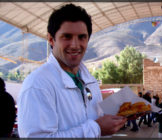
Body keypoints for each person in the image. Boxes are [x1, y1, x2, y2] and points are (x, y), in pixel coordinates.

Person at [17, 4, 126, 138]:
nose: (75, 45)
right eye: (67, 37)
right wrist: (96, 129)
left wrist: (121, 116)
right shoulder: (38, 84)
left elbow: (94, 119)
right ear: (51, 39)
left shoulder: (90, 80)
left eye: (82, 37)